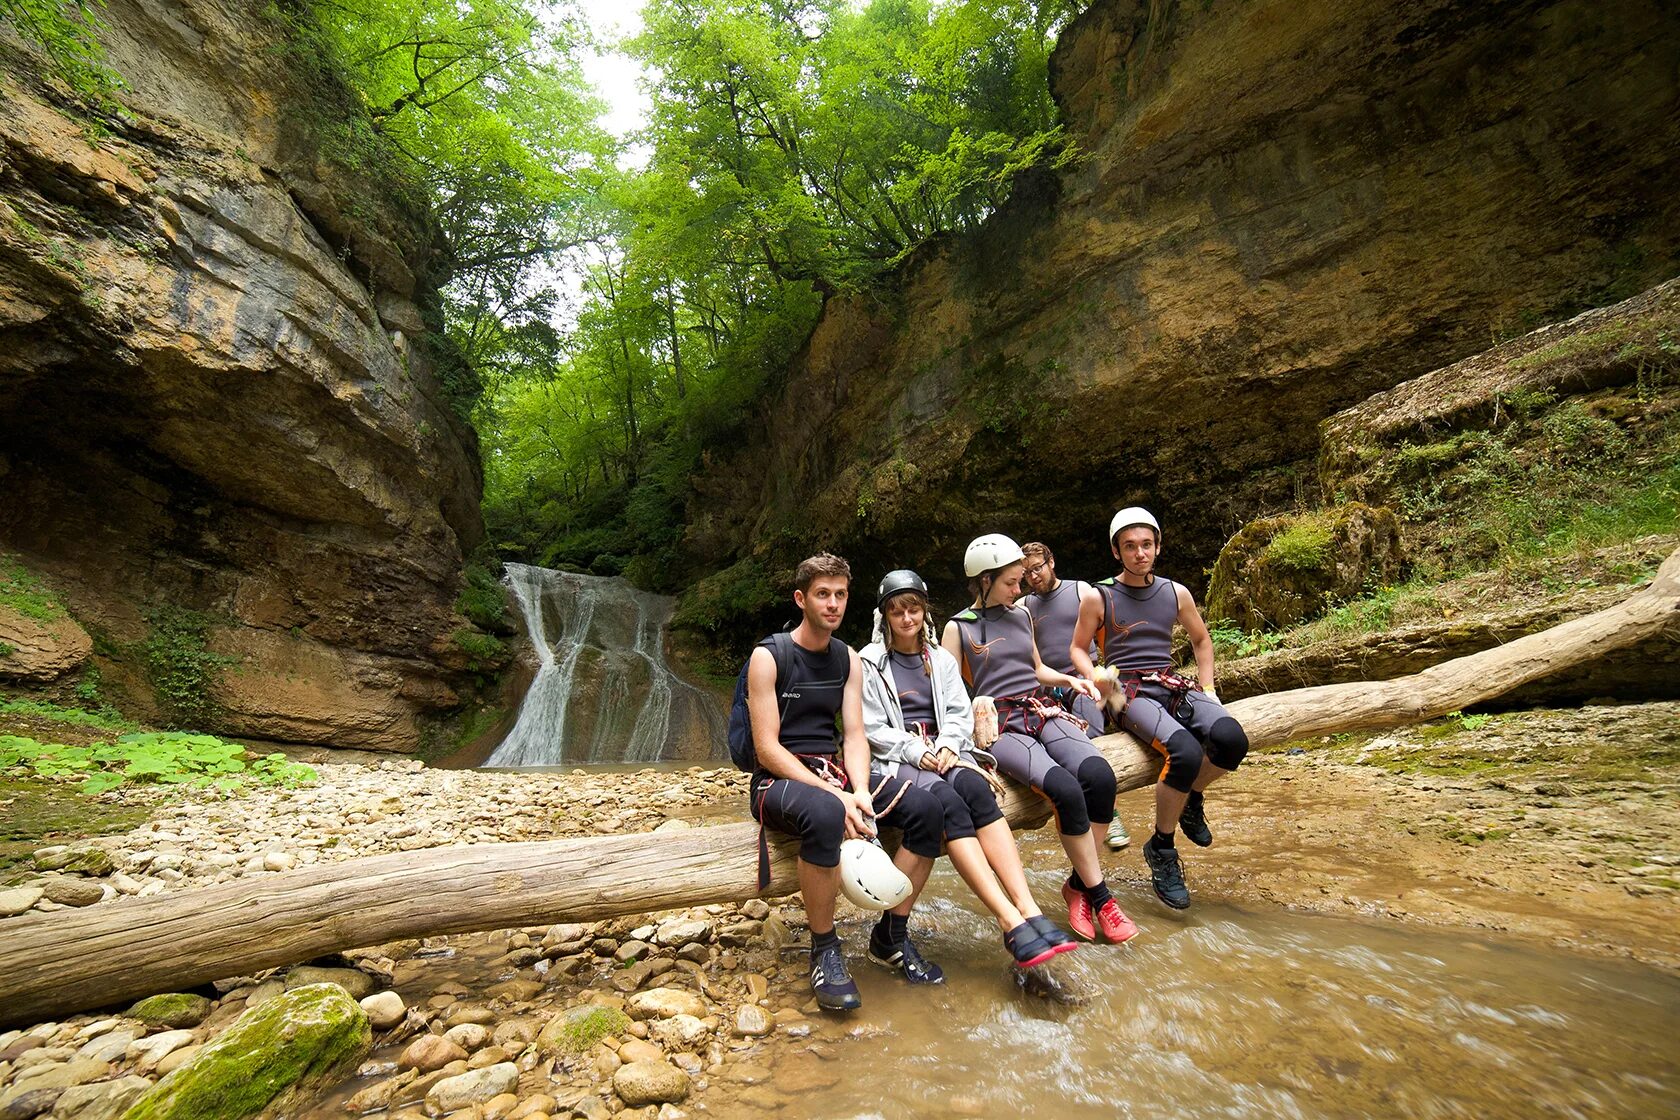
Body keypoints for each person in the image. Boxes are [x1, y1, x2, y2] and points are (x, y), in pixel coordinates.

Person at [746, 552, 950, 1011]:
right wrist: (837, 796)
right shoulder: (769, 656)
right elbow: (767, 749)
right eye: (823, 594)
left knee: (928, 810)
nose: (833, 604)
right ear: (802, 599)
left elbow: (855, 735)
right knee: (823, 812)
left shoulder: (848, 659)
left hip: (834, 773)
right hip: (777, 779)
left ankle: (891, 934)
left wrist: (859, 790)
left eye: (840, 595)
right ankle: (824, 948)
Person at [861, 569, 1080, 969]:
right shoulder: (869, 662)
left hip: (946, 751)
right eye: (897, 612)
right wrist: (916, 750)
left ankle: (1028, 907)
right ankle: (1008, 919)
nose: (907, 619)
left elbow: (960, 713)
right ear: (885, 617)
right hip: (900, 760)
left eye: (913, 609)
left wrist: (946, 744)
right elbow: (871, 727)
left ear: (924, 611)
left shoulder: (940, 658)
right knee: (948, 804)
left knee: (978, 793)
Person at [942, 534, 1138, 945]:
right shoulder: (958, 628)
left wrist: (1070, 678)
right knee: (1065, 789)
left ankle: (1078, 886)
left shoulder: (1021, 615)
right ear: (984, 581)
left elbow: (1035, 668)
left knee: (1100, 777)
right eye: (1011, 582)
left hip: (1040, 708)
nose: (1020, 589)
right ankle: (1101, 896)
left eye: (1020, 581)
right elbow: (946, 695)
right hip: (999, 723)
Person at [1069, 508, 1251, 910]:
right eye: (1130, 546)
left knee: (1231, 738)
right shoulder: (1099, 597)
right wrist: (1096, 674)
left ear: (1158, 546)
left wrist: (1209, 689)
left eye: (1146, 545)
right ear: (1117, 552)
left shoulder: (1175, 593)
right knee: (1184, 750)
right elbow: (1077, 648)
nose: (1139, 554)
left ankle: (1191, 796)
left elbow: (1202, 641)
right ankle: (1162, 848)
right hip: (1125, 692)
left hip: (1169, 681)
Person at [1021, 541, 1131, 851]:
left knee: (1090, 739)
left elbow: (1109, 630)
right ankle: (1094, 817)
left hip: (1084, 681)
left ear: (1051, 562)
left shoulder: (1080, 590)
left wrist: (1106, 674)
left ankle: (1108, 813)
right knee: (1060, 748)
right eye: (1026, 572)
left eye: (1037, 568)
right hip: (1048, 691)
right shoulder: (1024, 607)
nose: (1033, 576)